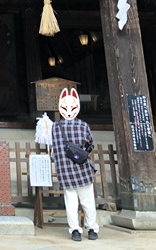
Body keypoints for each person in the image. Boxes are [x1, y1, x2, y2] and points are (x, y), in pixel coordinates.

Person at [51, 87, 100, 241]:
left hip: (65, 171)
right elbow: (90, 145)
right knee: (88, 201)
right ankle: (92, 229)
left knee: (71, 202)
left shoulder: (55, 128)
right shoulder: (83, 126)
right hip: (82, 169)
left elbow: (54, 150)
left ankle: (75, 231)